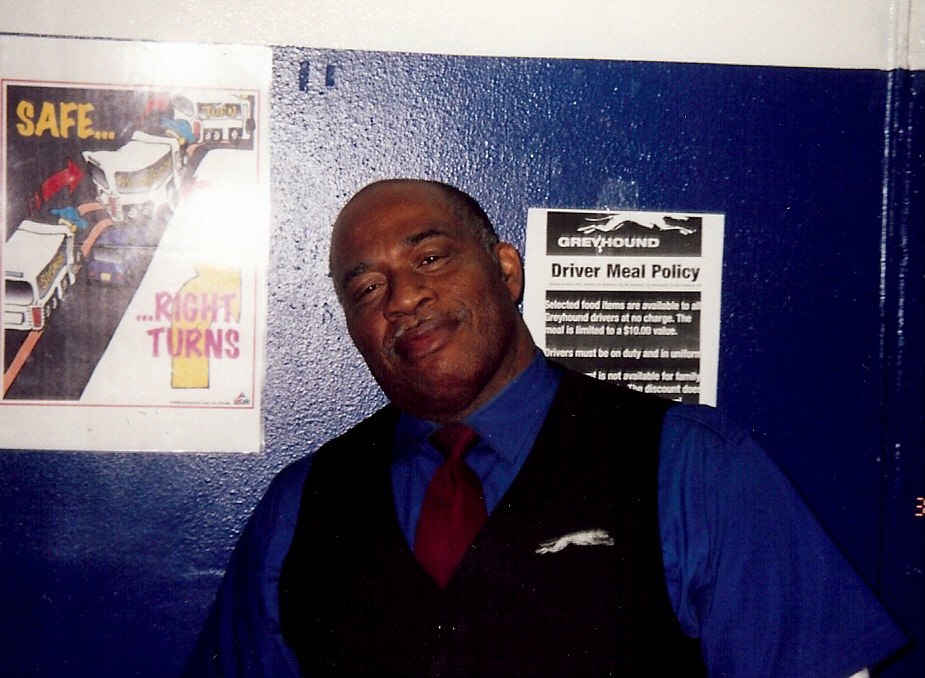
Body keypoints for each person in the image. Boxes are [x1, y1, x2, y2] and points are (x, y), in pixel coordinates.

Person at [183, 179, 906, 677]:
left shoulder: (695, 467)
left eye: (430, 257)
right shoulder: (301, 507)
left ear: (506, 271)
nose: (402, 298)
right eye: (367, 288)